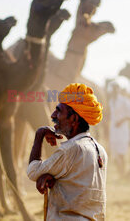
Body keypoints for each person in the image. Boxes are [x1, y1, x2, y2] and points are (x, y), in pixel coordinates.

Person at [27, 83, 108, 221]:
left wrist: (40, 134)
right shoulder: (100, 150)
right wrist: (55, 179)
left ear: (74, 119)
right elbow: (76, 184)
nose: (53, 115)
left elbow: (33, 171)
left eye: (59, 111)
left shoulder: (71, 149)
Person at [108, 80, 130, 175]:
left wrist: (121, 121)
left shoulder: (124, 101)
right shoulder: (110, 102)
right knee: (115, 151)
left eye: (116, 89)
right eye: (113, 89)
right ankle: (120, 173)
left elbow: (128, 115)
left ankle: (123, 172)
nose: (114, 91)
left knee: (122, 151)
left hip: (122, 129)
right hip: (114, 130)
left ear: (118, 89)